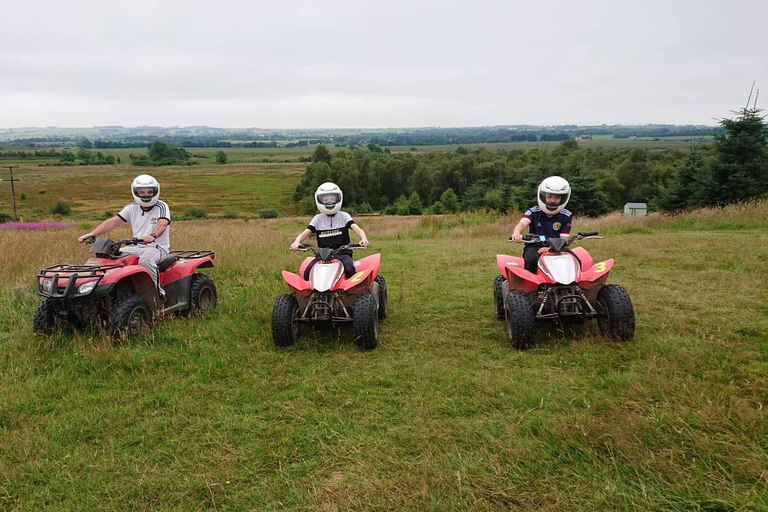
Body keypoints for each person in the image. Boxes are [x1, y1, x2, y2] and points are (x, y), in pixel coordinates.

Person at [78, 174, 171, 298]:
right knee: (109, 257)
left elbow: (162, 224)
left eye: (150, 191)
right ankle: (95, 291)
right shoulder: (131, 207)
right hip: (135, 247)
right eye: (142, 191)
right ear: (135, 191)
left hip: (157, 247)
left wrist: (153, 236)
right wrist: (91, 234)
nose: (146, 194)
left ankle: (157, 294)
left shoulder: (162, 206)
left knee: (146, 260)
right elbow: (112, 222)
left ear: (156, 191)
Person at [290, 182, 369, 279]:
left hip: (342, 254)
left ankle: (353, 293)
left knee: (349, 268)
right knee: (307, 273)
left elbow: (358, 229)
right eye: (326, 199)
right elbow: (304, 233)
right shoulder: (317, 219)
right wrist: (297, 242)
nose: (329, 202)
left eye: (332, 199)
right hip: (323, 256)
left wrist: (363, 239)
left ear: (338, 198)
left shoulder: (344, 216)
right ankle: (311, 294)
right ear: (319, 200)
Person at [511, 176, 573, 273]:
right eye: (549, 196)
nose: (552, 200)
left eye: (557, 197)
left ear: (563, 198)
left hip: (557, 247)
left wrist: (549, 248)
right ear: (543, 196)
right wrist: (516, 233)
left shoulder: (566, 215)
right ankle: (531, 286)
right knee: (531, 260)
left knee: (575, 261)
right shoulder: (534, 211)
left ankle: (575, 286)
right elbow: (522, 223)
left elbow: (563, 238)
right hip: (534, 245)